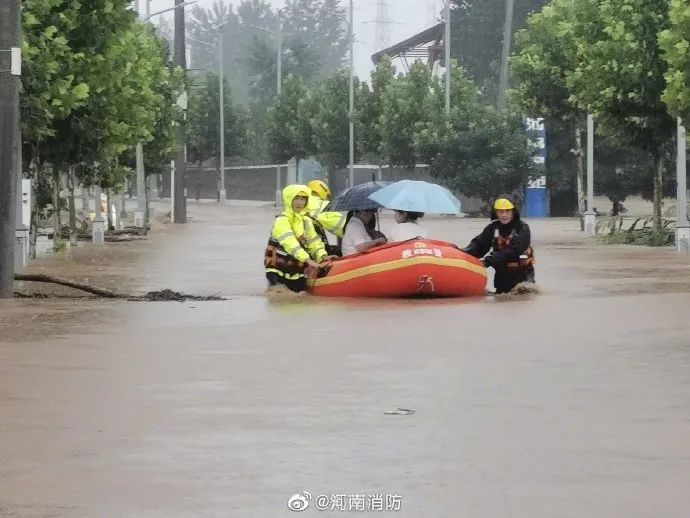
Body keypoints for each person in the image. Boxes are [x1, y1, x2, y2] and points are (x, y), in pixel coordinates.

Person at [461, 195, 535, 294]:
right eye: (501, 211)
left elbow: (514, 250)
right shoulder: (492, 228)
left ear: (513, 212)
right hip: (501, 278)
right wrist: (461, 253)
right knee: (499, 301)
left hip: (522, 277)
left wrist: (487, 261)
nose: (504, 215)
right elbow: (479, 245)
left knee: (522, 298)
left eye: (507, 211)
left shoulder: (522, 228)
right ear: (496, 213)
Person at [264, 185, 330, 292]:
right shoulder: (282, 220)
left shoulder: (306, 221)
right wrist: (308, 260)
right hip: (277, 268)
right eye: (296, 199)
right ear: (289, 199)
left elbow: (314, 242)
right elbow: (290, 243)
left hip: (297, 270)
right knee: (279, 298)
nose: (299, 202)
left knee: (300, 299)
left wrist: (322, 256)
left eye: (303, 199)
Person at [306, 179, 347, 256]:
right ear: (323, 193)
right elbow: (342, 226)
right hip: (315, 250)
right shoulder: (322, 205)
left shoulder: (301, 202)